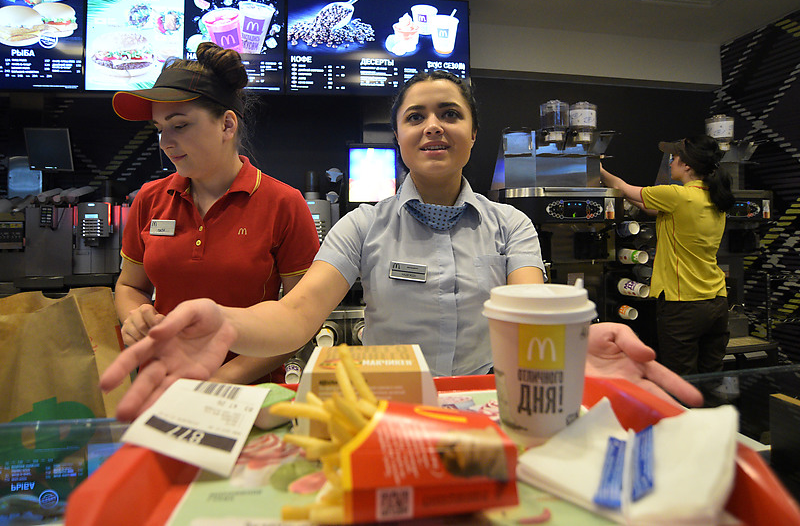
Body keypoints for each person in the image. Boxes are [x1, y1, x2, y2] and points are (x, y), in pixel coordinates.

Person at [100, 71, 703, 421]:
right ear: (399, 137)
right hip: (387, 412)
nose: (432, 125)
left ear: (472, 135)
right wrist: (223, 322)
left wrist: (572, 350)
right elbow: (292, 318)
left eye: (449, 114)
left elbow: (527, 315)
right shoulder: (360, 228)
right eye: (416, 117)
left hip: (486, 405)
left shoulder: (511, 227)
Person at [111, 42, 320, 384]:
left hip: (248, 393)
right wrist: (136, 317)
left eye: (179, 125)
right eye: (159, 128)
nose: (164, 142)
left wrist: (218, 381)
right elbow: (130, 285)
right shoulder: (150, 198)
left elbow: (298, 322)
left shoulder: (283, 203)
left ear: (226, 125)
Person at [600, 135, 735, 375]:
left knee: (681, 381)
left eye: (675, 157)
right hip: (717, 302)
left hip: (683, 306)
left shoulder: (677, 195)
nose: (670, 161)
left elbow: (622, 188)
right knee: (711, 377)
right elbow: (648, 206)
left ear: (687, 165)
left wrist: (596, 168)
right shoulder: (715, 197)